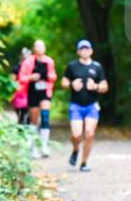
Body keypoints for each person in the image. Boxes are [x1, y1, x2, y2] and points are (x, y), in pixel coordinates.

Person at [61, 39, 108, 172]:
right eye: (82, 49)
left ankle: (84, 162)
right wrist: (71, 84)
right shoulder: (72, 66)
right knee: (76, 135)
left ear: (91, 51)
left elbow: (105, 86)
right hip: (76, 105)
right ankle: (75, 149)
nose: (85, 51)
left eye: (87, 49)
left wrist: (96, 86)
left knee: (89, 134)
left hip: (91, 106)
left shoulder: (97, 67)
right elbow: (63, 82)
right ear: (78, 51)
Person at [18, 39, 57, 158]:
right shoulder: (28, 62)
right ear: (34, 49)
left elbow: (54, 76)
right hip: (32, 92)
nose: (40, 48)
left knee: (45, 117)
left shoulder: (49, 61)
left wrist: (48, 77)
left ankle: (44, 146)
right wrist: (31, 77)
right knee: (34, 120)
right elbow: (21, 78)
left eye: (42, 46)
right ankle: (33, 147)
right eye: (37, 46)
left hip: (45, 91)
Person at [11, 47, 31, 126]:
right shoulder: (16, 68)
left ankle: (25, 125)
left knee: (26, 111)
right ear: (21, 56)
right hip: (18, 92)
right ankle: (21, 123)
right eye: (24, 55)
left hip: (29, 92)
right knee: (19, 110)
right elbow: (12, 80)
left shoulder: (31, 68)